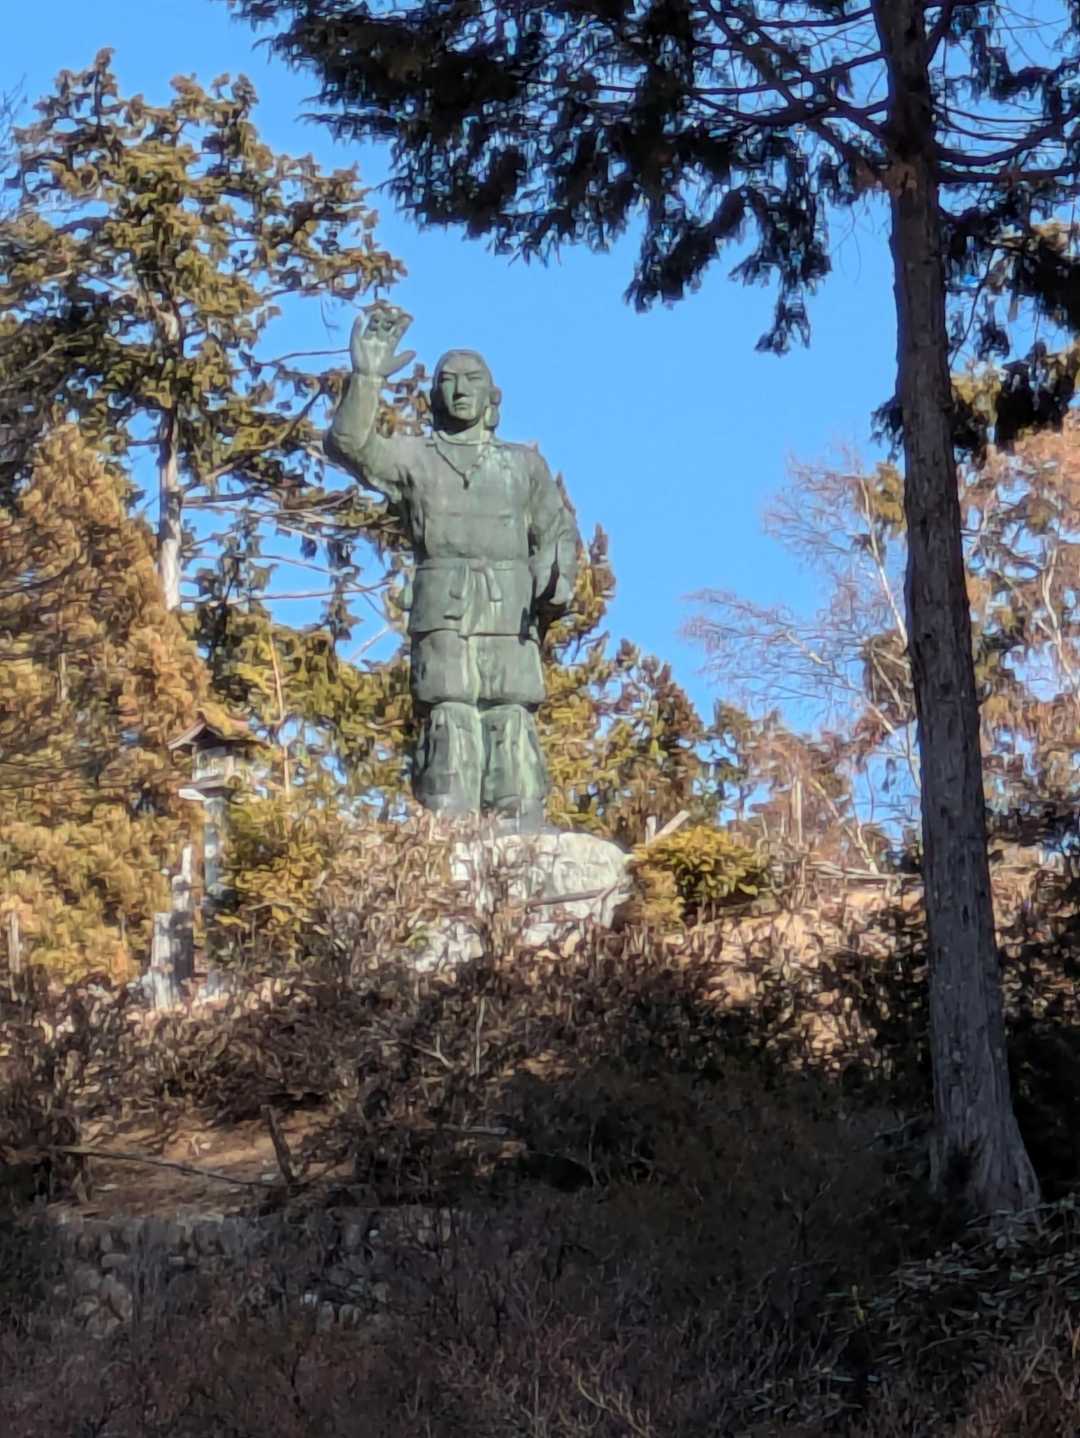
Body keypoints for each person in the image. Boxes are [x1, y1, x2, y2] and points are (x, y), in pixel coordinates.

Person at [325, 301, 580, 828]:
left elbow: (557, 531)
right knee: (449, 702)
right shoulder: (416, 457)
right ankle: (449, 812)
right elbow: (349, 445)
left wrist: (555, 569)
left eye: (472, 379)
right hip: (443, 599)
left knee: (509, 703)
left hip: (510, 603)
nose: (460, 389)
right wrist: (367, 380)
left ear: (492, 397)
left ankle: (518, 808)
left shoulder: (523, 464)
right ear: (433, 395)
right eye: (448, 380)